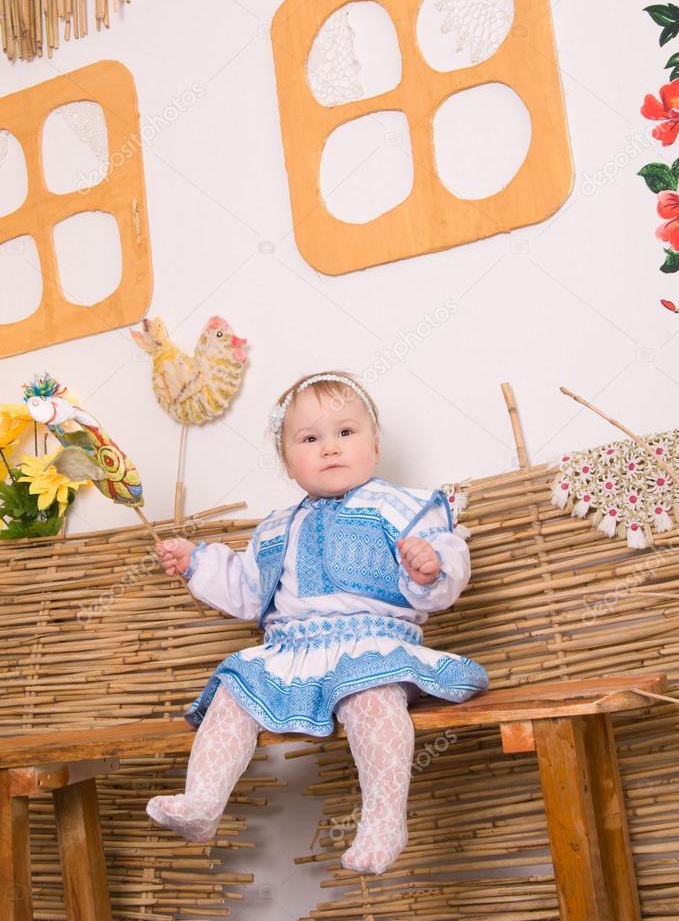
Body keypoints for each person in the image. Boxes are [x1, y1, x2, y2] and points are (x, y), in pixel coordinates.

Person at [148, 371, 488, 874]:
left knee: (371, 697)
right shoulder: (276, 528)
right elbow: (247, 590)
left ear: (374, 445)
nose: (329, 448)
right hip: (291, 655)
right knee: (233, 689)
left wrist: (429, 567)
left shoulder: (405, 509)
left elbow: (445, 565)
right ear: (288, 463)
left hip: (375, 646)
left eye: (345, 432)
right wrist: (197, 562)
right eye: (310, 439)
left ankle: (383, 819)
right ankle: (202, 802)